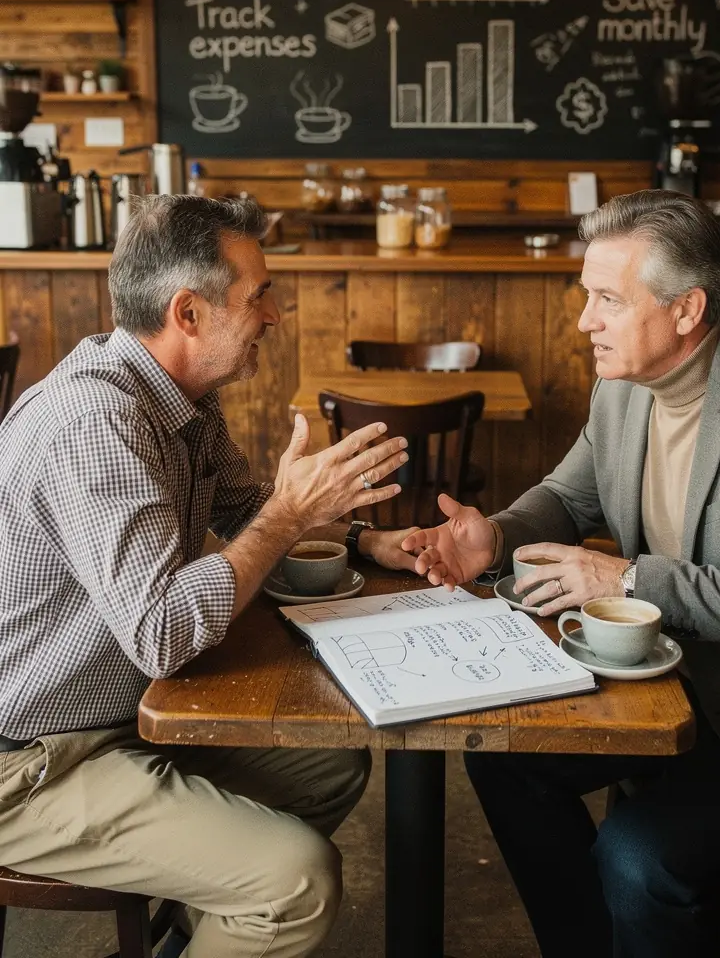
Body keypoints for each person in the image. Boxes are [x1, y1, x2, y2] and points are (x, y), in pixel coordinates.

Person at [396, 190, 720, 958]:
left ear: (686, 309)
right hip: (664, 686)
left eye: (607, 300)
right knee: (503, 761)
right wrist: (494, 538)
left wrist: (626, 579)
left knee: (637, 855)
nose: (584, 320)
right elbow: (565, 495)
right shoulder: (621, 387)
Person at [0, 194, 412, 958]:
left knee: (330, 769)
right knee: (296, 882)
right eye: (259, 295)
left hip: (117, 717)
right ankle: (247, 911)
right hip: (26, 758)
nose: (276, 314)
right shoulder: (96, 422)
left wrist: (365, 540)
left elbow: (245, 506)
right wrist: (290, 514)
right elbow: (164, 633)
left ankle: (204, 932)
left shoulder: (179, 396)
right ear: (187, 313)